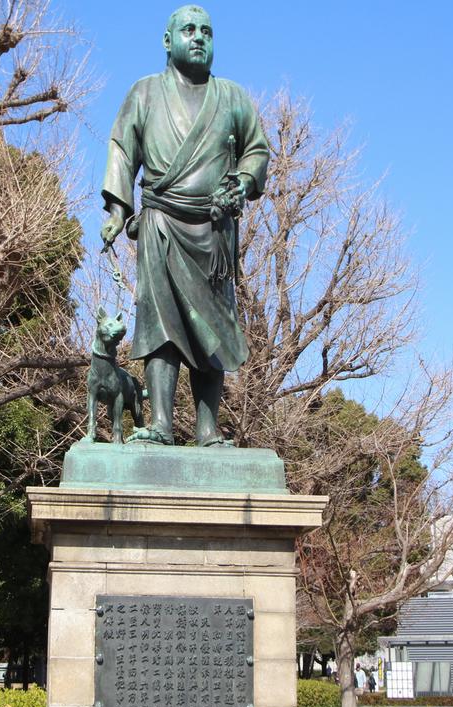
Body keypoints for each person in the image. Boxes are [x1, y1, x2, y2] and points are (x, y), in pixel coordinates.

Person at [100, 4, 269, 446]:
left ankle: (208, 428)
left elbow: (257, 150)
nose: (198, 37)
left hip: (213, 230)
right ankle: (159, 422)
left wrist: (244, 181)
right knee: (160, 324)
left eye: (206, 31)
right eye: (189, 29)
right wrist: (118, 209)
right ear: (167, 40)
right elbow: (123, 147)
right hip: (159, 222)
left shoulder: (231, 96)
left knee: (213, 328)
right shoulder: (145, 92)